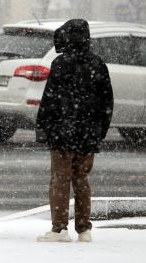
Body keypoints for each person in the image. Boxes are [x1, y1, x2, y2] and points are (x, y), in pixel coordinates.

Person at [35, 19, 113, 243]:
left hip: (62, 132)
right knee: (82, 180)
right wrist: (100, 130)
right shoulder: (98, 64)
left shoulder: (61, 63)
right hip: (88, 134)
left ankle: (59, 229)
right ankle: (84, 229)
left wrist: (44, 128)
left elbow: (49, 99)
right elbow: (107, 101)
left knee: (60, 179)